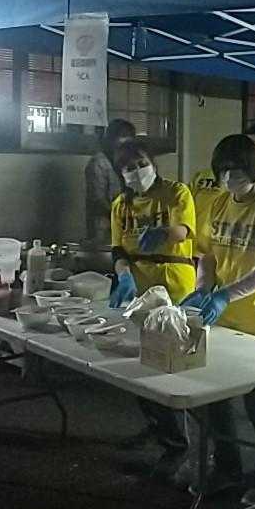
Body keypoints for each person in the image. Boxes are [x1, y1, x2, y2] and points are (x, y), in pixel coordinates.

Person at [185, 134, 255, 505]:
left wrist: (225, 295)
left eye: (238, 171)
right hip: (224, 319)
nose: (230, 178)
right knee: (214, 397)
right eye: (224, 171)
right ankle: (227, 468)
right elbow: (207, 254)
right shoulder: (219, 203)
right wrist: (204, 288)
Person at [108, 142, 196, 477]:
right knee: (140, 365)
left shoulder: (176, 193)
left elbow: (185, 231)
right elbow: (118, 249)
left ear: (153, 163)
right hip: (140, 290)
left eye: (141, 164)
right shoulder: (121, 205)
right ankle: (160, 429)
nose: (137, 172)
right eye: (128, 168)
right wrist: (123, 274)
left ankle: (181, 446)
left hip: (174, 284)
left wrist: (163, 232)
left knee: (173, 368)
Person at [84, 118, 136, 245]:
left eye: (129, 138)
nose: (125, 142)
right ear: (111, 140)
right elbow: (98, 199)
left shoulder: (129, 161)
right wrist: (121, 216)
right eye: (122, 137)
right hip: (103, 227)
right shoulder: (99, 163)